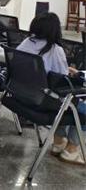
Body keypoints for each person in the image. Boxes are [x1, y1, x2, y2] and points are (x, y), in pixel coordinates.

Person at [18, 12, 86, 166]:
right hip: (43, 102)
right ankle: (71, 150)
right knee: (74, 103)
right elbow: (62, 80)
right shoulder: (55, 49)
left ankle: (58, 143)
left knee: (67, 102)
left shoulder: (26, 42)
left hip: (22, 95)